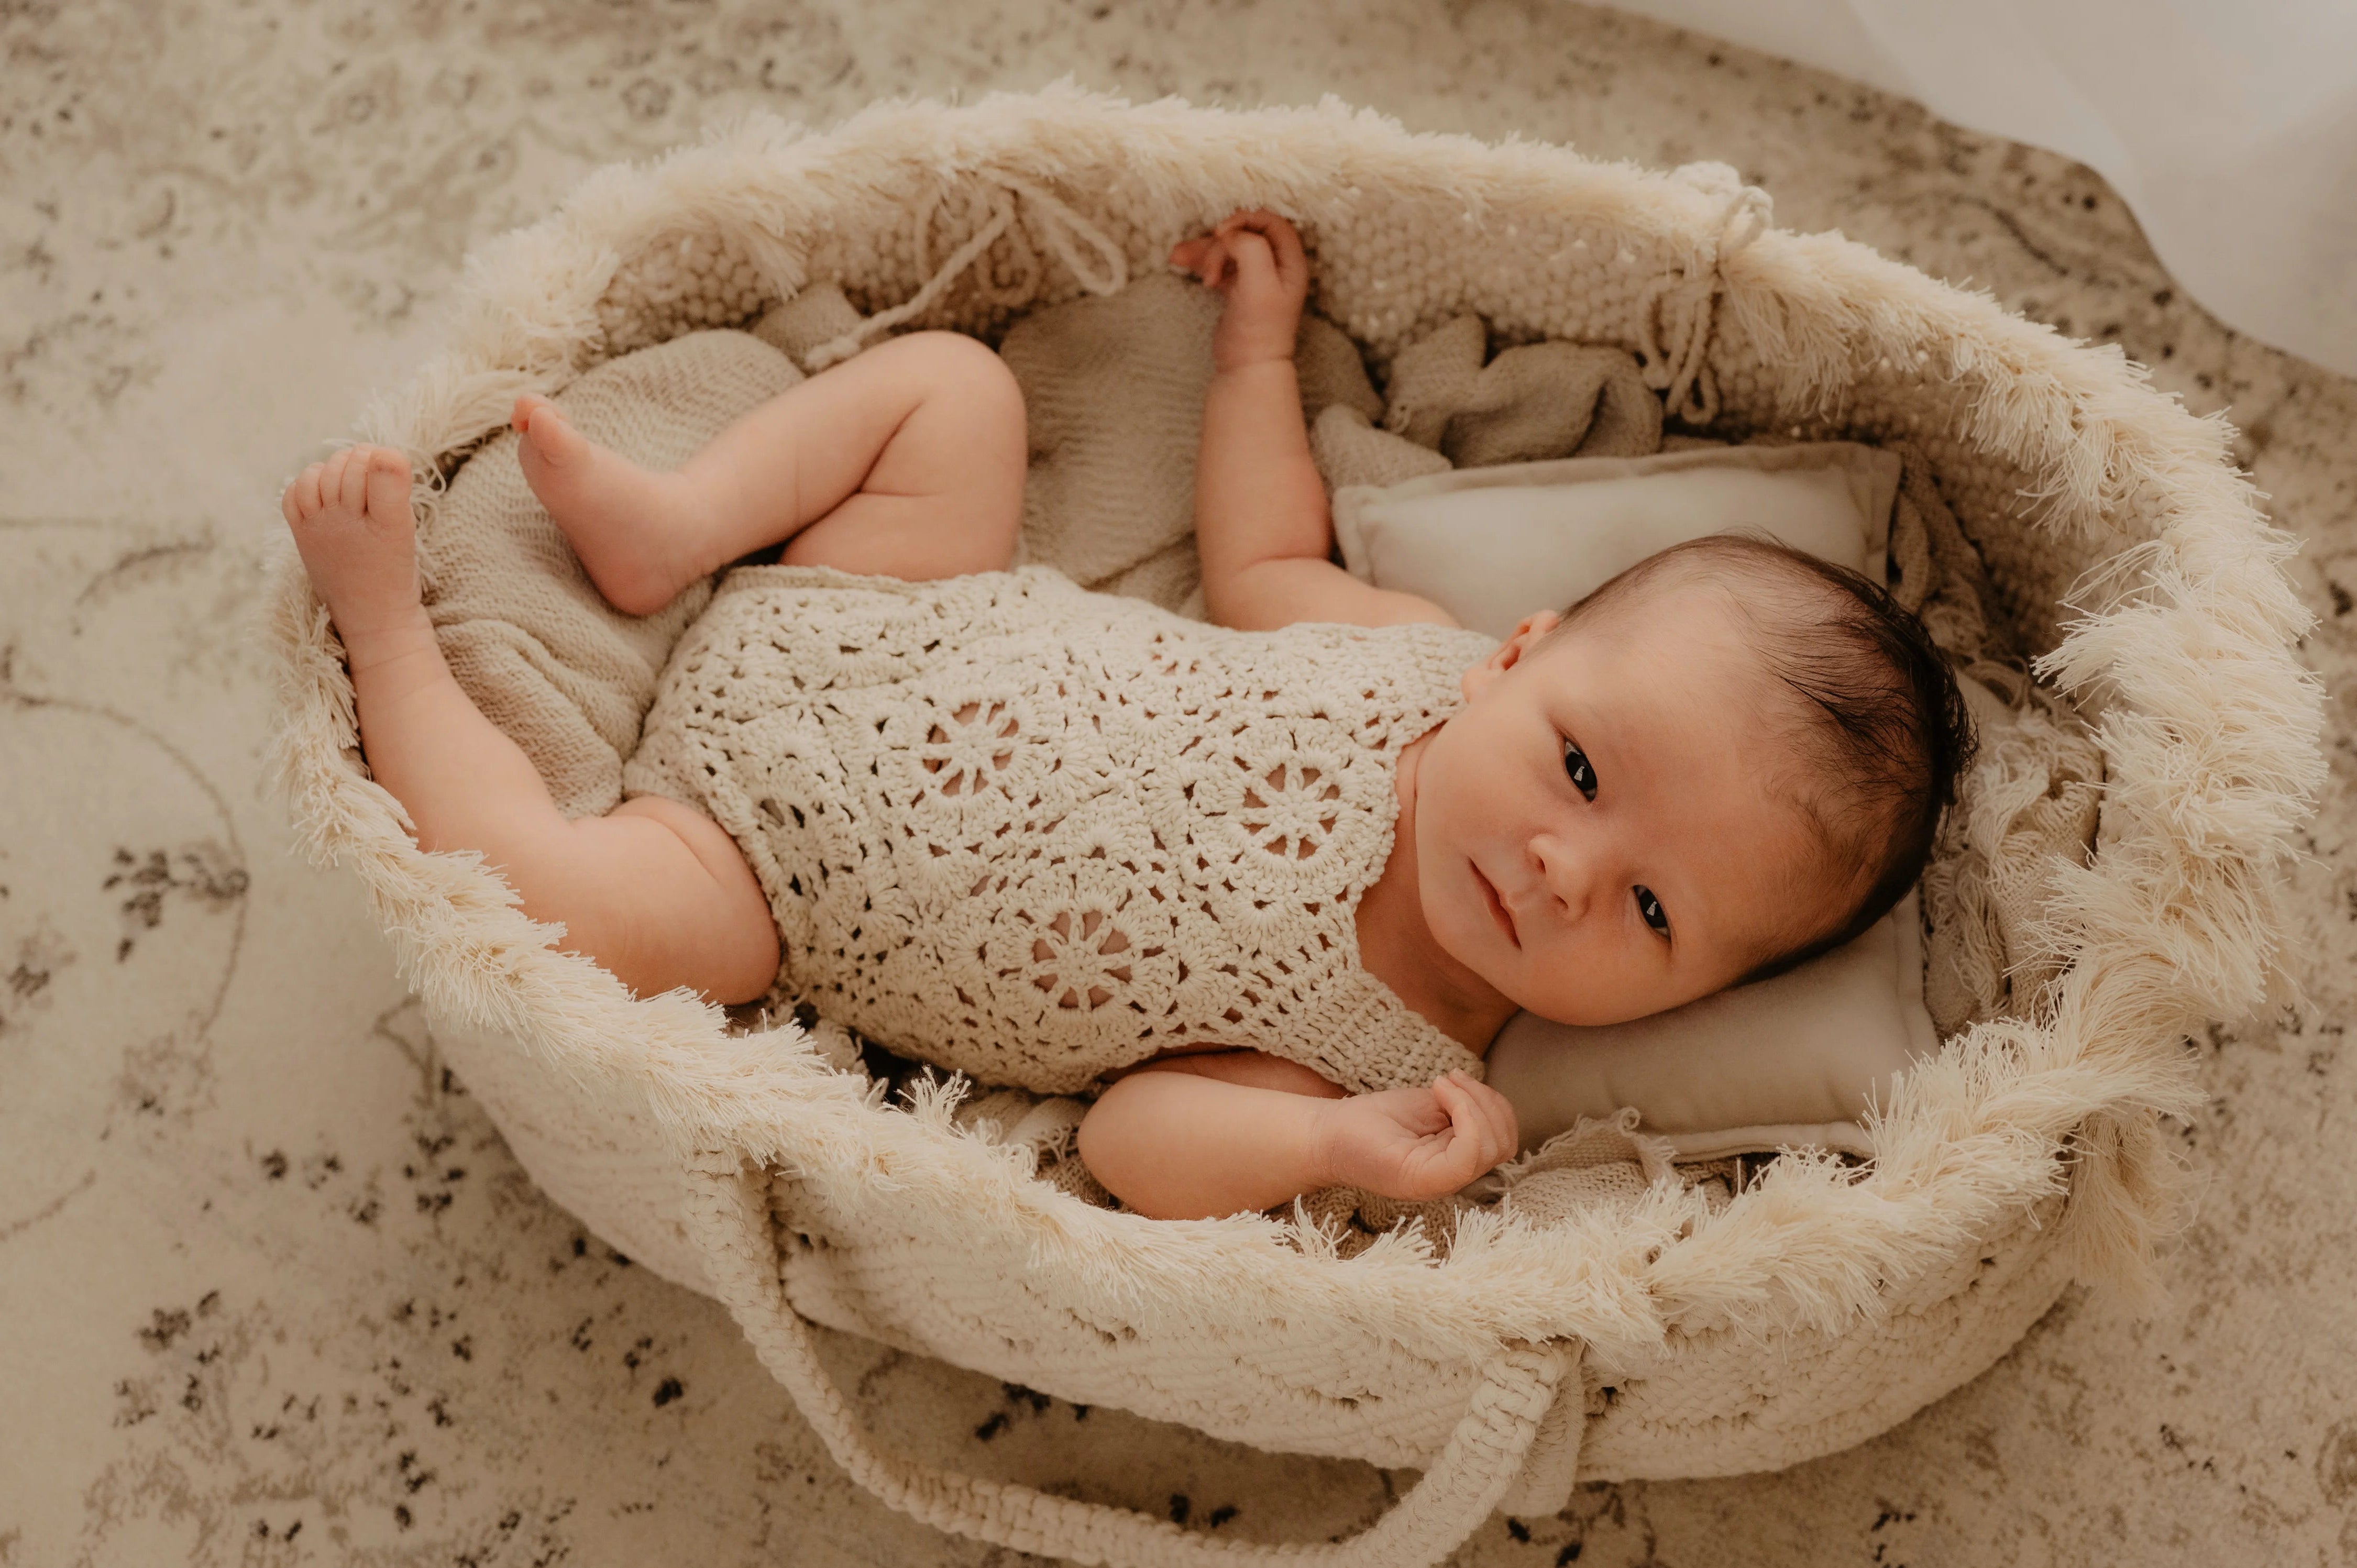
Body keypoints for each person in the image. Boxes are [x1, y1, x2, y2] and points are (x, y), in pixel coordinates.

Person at [280, 212, 1969, 1222]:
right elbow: (1260, 555)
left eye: (1653, 912)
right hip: (901, 600)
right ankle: (680, 525)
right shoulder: (1411, 655)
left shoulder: (1396, 1048)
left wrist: (1326, 1145)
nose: (1559, 866)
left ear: (1690, 996)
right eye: (1583, 766)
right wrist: (1254, 355)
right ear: (1518, 656)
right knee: (957, 392)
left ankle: (389, 639)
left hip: (770, 881)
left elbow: (1127, 1136)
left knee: (569, 913)